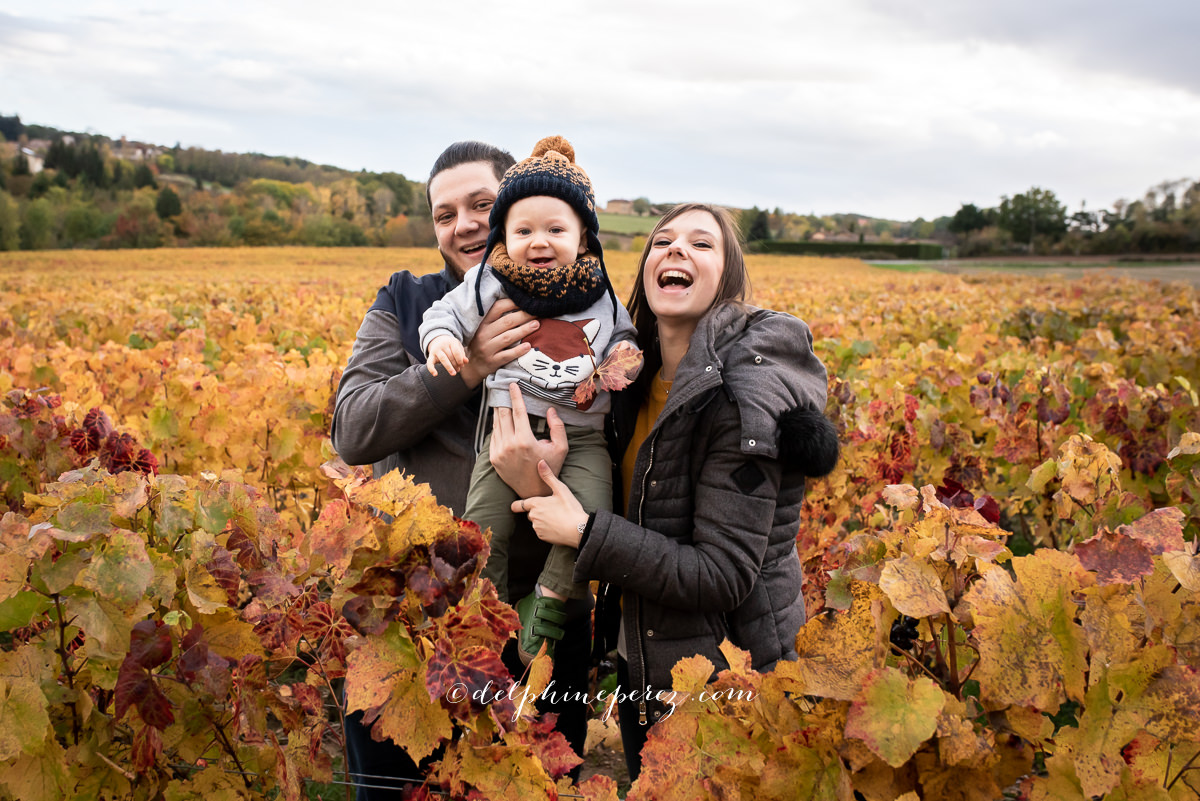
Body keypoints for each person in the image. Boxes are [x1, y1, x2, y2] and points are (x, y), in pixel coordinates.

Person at [505, 203, 840, 779]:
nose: (676, 250)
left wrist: (584, 533)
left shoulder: (741, 399)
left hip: (728, 682)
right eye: (662, 241)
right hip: (646, 664)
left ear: (727, 282)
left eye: (701, 244)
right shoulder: (628, 381)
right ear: (645, 270)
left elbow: (724, 574)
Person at [330, 141, 588, 799]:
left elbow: (608, 450)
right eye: (445, 214)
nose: (464, 224)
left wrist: (540, 483)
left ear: (516, 205)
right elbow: (355, 427)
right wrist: (463, 368)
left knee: (525, 784)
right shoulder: (409, 300)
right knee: (392, 790)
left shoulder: (580, 304)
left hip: (529, 621)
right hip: (406, 615)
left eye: (480, 203)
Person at [418, 136, 640, 663]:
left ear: (584, 237)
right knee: (481, 520)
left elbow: (626, 342)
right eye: (523, 231)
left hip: (582, 437)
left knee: (588, 516)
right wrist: (445, 342)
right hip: (506, 431)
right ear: (504, 237)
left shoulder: (602, 293)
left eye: (555, 230)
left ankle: (548, 600)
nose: (538, 242)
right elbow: (443, 315)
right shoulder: (489, 283)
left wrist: (619, 364)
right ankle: (483, 607)